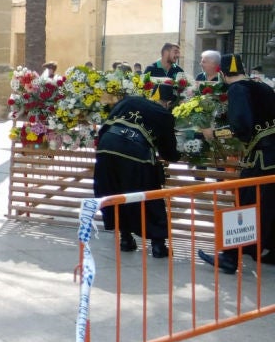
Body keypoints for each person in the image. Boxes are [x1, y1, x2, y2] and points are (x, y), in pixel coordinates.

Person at [199, 54, 275, 274]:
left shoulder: (237, 90)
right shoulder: (262, 87)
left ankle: (230, 257)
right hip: (271, 157)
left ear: (222, 73)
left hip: (261, 159)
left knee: (245, 205)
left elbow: (241, 127)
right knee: (270, 206)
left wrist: (214, 132)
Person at [93, 84, 180, 258]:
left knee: (117, 195)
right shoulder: (164, 115)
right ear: (168, 102)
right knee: (149, 197)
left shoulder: (129, 101)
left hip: (106, 149)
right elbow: (168, 152)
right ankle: (158, 246)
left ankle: (125, 238)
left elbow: (105, 127)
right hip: (135, 155)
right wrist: (178, 155)